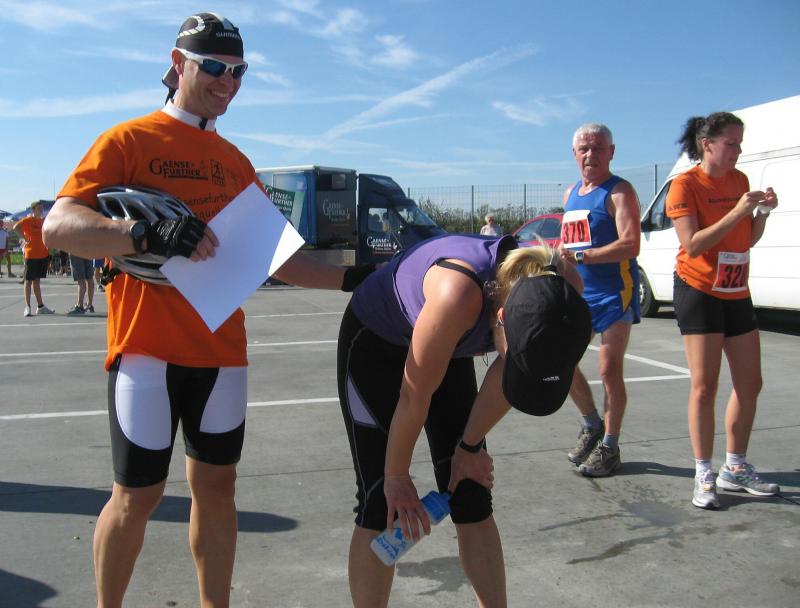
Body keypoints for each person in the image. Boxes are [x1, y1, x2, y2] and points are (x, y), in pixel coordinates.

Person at [42, 13, 366, 608]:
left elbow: (279, 259)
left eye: (239, 72)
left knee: (218, 491)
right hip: (146, 352)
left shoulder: (235, 162)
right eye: (214, 66)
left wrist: (359, 280)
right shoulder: (128, 141)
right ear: (178, 64)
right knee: (136, 496)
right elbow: (59, 226)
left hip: (221, 355)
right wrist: (143, 234)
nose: (227, 81)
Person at [337, 233, 591, 607]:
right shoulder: (457, 295)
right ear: (501, 319)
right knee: (380, 504)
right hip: (376, 343)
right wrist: (397, 476)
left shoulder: (564, 288)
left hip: (448, 342)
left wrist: (469, 448)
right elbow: (414, 396)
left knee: (471, 492)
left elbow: (509, 367)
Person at [666, 112, 780, 509]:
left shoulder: (740, 181)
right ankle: (703, 472)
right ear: (707, 144)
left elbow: (746, 239)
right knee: (705, 386)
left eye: (739, 143)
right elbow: (693, 243)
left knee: (751, 383)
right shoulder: (684, 185)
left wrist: (761, 213)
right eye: (731, 143)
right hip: (698, 290)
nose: (738, 150)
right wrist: (737, 211)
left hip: (735, 289)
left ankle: (735, 465)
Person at [558, 123, 641, 477]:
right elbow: (568, 245)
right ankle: (592, 424)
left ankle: (610, 445)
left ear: (611, 152)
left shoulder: (619, 192)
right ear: (575, 154)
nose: (590, 155)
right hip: (579, 294)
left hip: (614, 293)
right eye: (584, 149)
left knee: (609, 369)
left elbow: (631, 244)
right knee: (560, 361)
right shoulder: (570, 194)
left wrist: (583, 256)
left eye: (597, 148)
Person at [11, 201, 55, 316]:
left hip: (42, 255)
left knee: (37, 281)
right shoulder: (28, 220)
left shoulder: (44, 221)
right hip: (31, 255)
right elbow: (15, 227)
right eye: (38, 208)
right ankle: (27, 307)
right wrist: (24, 237)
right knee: (28, 281)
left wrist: (49, 252)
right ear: (33, 210)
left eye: (41, 208)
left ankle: (40, 306)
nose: (41, 210)